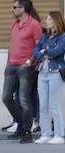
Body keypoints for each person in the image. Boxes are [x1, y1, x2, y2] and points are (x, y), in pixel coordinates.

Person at [5, 0, 43, 142]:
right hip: (11, 65)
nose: (13, 10)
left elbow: (39, 46)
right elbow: (12, 44)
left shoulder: (34, 25)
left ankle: (26, 132)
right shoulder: (15, 24)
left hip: (26, 67)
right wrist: (8, 61)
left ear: (23, 9)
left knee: (24, 99)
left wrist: (31, 61)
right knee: (6, 98)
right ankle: (20, 124)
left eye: (15, 7)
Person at [31, 11, 65, 144]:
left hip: (55, 72)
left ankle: (59, 135)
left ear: (56, 21)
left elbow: (58, 51)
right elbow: (35, 51)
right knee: (43, 105)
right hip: (42, 73)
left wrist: (44, 51)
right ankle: (45, 133)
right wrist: (44, 52)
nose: (47, 21)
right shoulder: (45, 36)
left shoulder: (62, 37)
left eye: (50, 19)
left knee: (54, 105)